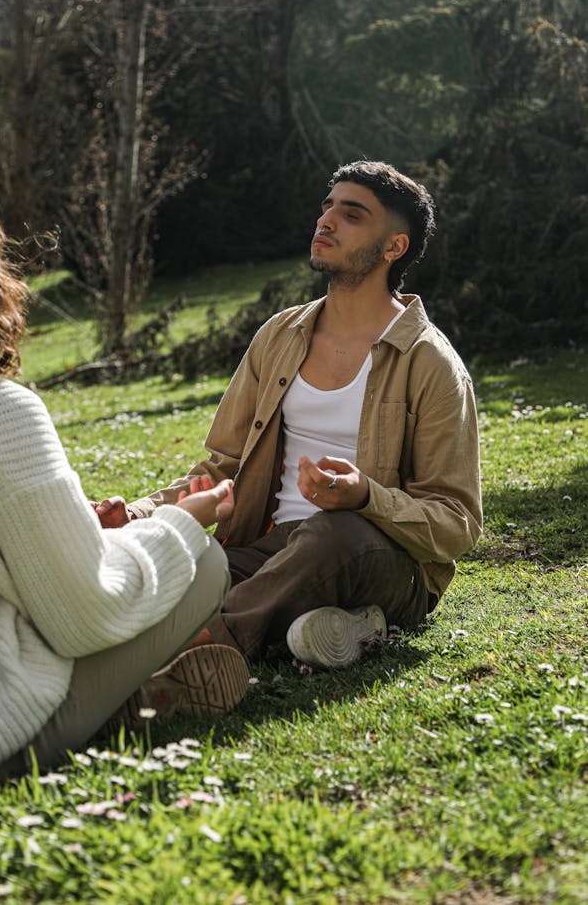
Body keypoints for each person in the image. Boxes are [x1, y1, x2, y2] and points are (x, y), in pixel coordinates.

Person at [0, 151, 249, 803]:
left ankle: (137, 702)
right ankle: (129, 709)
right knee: (204, 564)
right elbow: (86, 613)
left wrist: (81, 528)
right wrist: (182, 521)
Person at [97, 160, 483, 668]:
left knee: (331, 534)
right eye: (327, 208)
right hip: (270, 547)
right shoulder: (280, 336)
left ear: (394, 247)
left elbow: (457, 524)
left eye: (352, 215)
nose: (325, 222)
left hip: (381, 557)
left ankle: (204, 655)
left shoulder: (429, 361)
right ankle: (337, 624)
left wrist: (366, 497)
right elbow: (224, 468)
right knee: (191, 566)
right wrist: (141, 515)